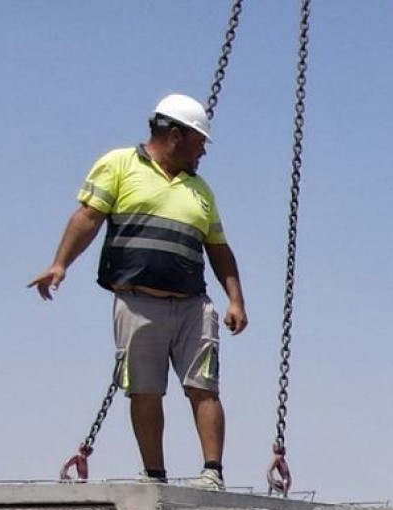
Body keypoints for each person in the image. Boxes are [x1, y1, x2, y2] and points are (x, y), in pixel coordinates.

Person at [30, 94, 248, 488]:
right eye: (200, 142)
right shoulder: (119, 164)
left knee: (204, 386)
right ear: (176, 135)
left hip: (191, 305)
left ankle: (212, 473)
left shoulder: (201, 190)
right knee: (144, 390)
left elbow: (218, 249)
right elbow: (88, 217)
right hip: (137, 302)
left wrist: (235, 299)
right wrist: (60, 263)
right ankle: (154, 475)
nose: (203, 153)